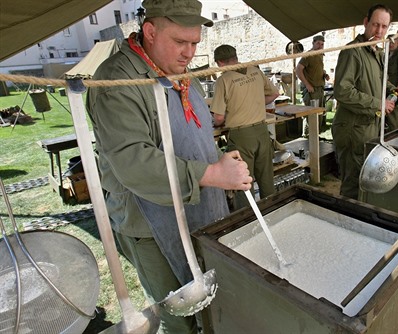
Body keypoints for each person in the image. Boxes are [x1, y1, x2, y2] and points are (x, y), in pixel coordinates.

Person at [86, 0, 252, 333]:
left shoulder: (180, 74)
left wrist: (220, 160)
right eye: (180, 42)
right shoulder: (116, 80)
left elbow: (196, 132)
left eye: (194, 43)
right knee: (181, 315)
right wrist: (212, 174)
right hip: (148, 224)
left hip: (197, 208)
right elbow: (132, 162)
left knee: (212, 301)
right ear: (150, 31)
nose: (189, 53)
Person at [331, 4, 398, 200]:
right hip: (353, 131)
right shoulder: (353, 52)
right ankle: (346, 222)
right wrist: (378, 104)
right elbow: (342, 91)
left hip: (368, 128)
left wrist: (393, 89)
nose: (379, 31)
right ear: (365, 22)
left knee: (365, 182)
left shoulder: (376, 52)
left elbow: (379, 81)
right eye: (375, 24)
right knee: (353, 183)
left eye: (384, 27)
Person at [210, 44, 279, 209]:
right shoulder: (254, 71)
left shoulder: (223, 80)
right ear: (236, 57)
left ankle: (247, 220)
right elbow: (275, 93)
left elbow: (218, 118)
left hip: (242, 137)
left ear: (219, 63)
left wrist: (227, 114)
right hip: (262, 132)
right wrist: (253, 105)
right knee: (267, 179)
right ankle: (272, 212)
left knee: (243, 182)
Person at [296, 35, 329, 135]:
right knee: (311, 115)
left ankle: (315, 137)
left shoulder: (320, 54)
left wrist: (324, 74)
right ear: (313, 43)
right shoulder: (308, 55)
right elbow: (298, 70)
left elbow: (315, 69)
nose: (320, 46)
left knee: (318, 115)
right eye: (318, 43)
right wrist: (307, 85)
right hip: (311, 90)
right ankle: (306, 137)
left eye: (322, 44)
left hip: (320, 89)